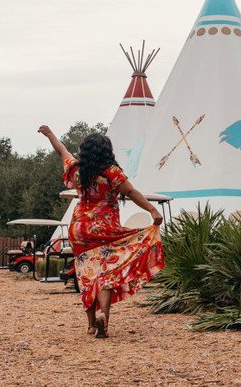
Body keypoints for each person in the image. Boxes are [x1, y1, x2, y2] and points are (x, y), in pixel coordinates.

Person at [38, 125, 164, 338]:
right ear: (107, 151)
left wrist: (49, 134)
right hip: (105, 229)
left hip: (80, 230)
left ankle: (91, 325)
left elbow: (61, 150)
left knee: (87, 275)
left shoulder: (77, 170)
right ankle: (104, 315)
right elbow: (131, 192)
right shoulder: (111, 172)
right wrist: (152, 210)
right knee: (105, 275)